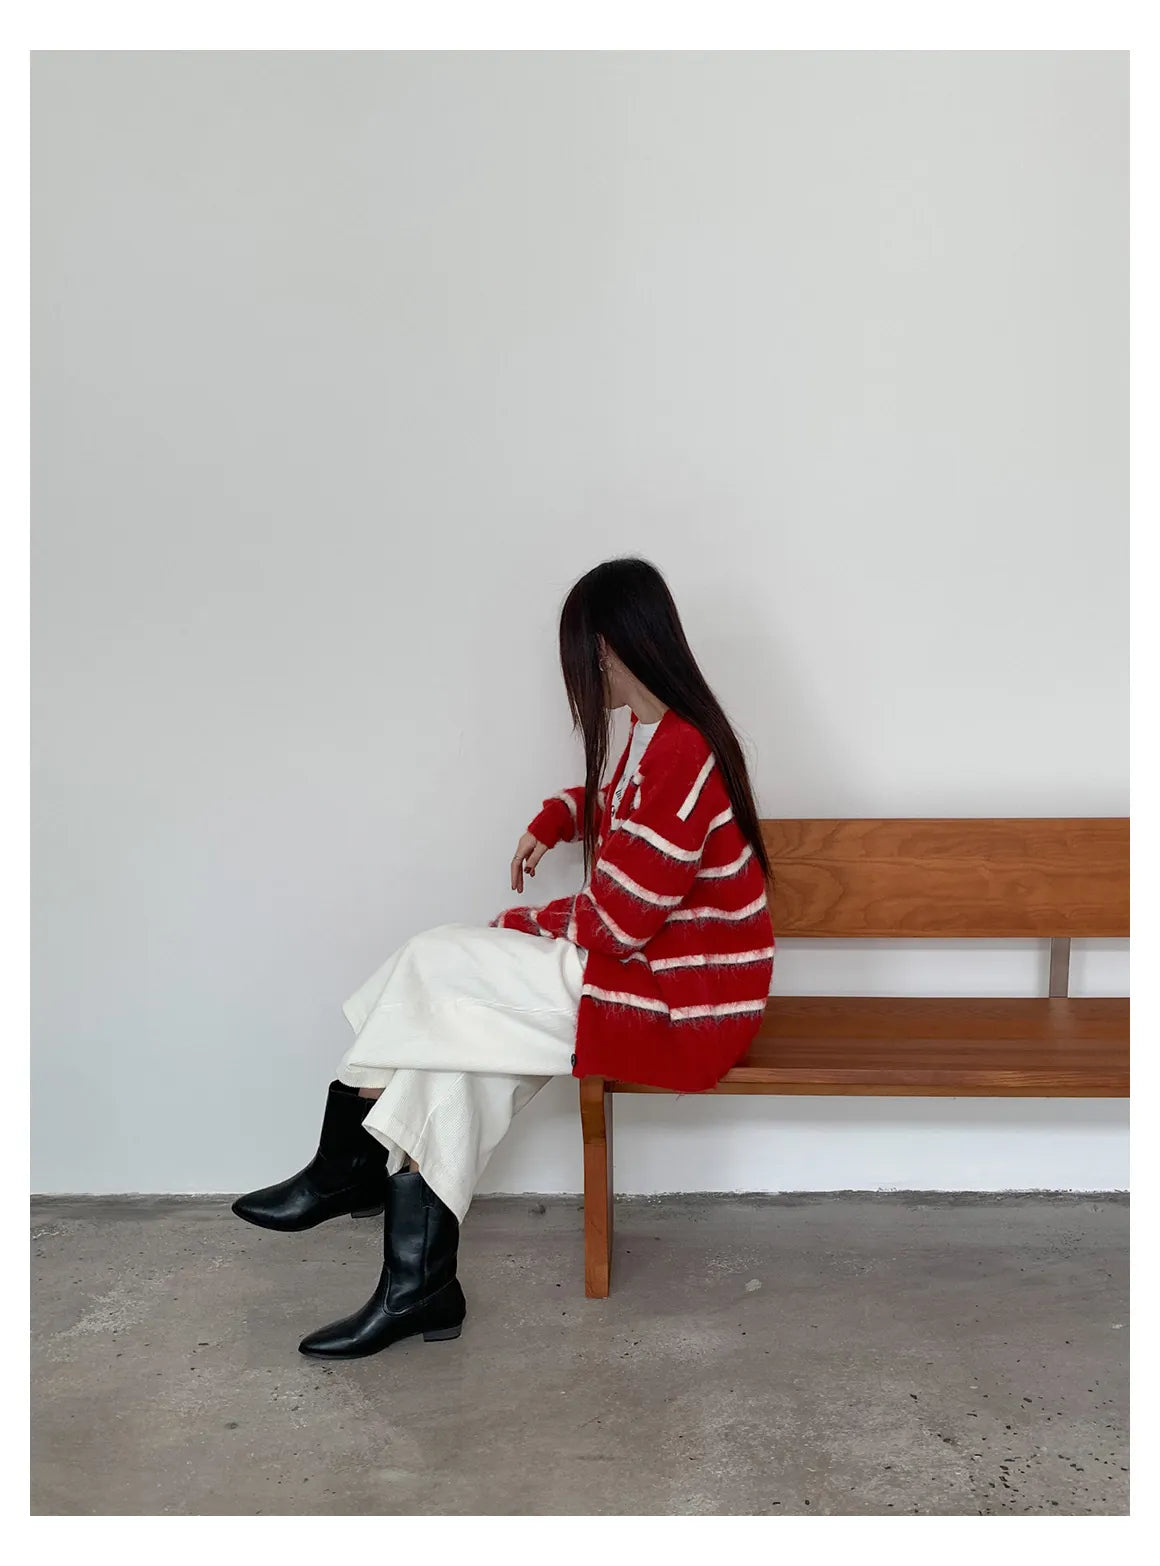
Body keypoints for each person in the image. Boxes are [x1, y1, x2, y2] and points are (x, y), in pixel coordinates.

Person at [232, 557, 776, 1359]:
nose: (579, 671)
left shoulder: (683, 751)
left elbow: (619, 922)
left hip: (679, 1003)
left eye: (584, 651)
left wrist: (526, 921)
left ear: (610, 646)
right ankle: (418, 1288)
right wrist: (558, 817)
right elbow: (624, 816)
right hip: (652, 978)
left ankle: (349, 1152)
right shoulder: (658, 736)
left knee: (436, 958)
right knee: (454, 1056)